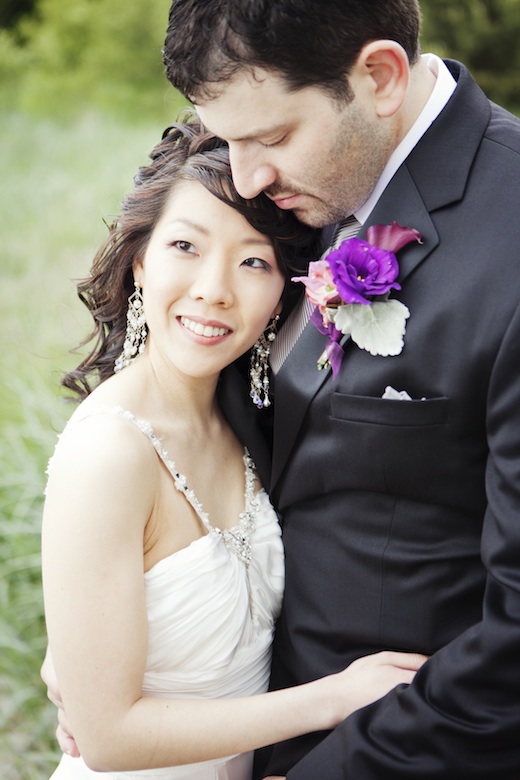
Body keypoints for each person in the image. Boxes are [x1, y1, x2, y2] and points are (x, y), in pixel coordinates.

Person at [163, 1, 520, 778]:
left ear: (380, 76)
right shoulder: (285, 200)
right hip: (241, 724)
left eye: (271, 138)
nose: (246, 174)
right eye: (229, 138)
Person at [41, 115, 425, 780]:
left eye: (254, 261)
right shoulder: (110, 451)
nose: (214, 289)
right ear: (140, 259)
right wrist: (331, 700)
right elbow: (107, 738)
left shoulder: (245, 418)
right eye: (186, 247)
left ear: (284, 291)